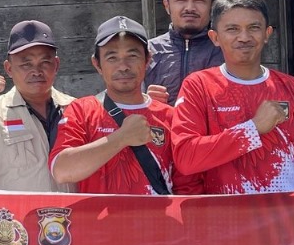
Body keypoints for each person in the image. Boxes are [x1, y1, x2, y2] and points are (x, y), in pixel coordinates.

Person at [170, 0, 294, 194]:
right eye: (232, 29)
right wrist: (252, 129)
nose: (244, 37)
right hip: (227, 213)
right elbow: (186, 158)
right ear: (215, 37)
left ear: (267, 34)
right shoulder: (198, 86)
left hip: (289, 213)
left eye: (254, 27)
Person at [50, 16, 201, 195]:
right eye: (112, 57)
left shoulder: (170, 116)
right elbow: (62, 171)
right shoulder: (81, 110)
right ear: (97, 64)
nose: (123, 67)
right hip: (100, 215)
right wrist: (122, 137)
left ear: (148, 59)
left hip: (157, 214)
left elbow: (187, 187)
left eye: (132, 56)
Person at [0, 19, 76, 192]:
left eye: (45, 62)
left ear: (56, 65)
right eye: (26, 64)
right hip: (17, 212)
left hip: (71, 211)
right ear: (9, 68)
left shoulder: (76, 109)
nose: (36, 71)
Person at [145, 0, 223, 104]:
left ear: (212, 6)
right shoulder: (146, 51)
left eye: (199, 0)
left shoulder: (226, 49)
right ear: (167, 5)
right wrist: (143, 100)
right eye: (181, 0)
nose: (190, 8)